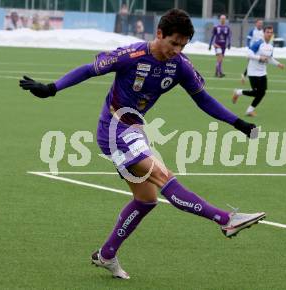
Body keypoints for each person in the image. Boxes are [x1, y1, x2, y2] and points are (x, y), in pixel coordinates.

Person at [19, 9, 265, 279]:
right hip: (113, 129)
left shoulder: (179, 65)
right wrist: (53, 88)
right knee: (162, 175)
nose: (177, 50)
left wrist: (238, 123)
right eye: (174, 43)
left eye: (183, 45)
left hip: (134, 131)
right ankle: (226, 220)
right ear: (159, 34)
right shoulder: (130, 56)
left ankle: (107, 254)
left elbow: (203, 99)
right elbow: (89, 70)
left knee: (146, 200)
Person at [232, 25, 285, 117]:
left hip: (263, 72)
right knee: (256, 92)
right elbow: (248, 54)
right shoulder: (258, 43)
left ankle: (249, 110)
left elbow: (269, 59)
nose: (269, 34)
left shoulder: (271, 46)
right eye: (267, 32)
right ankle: (238, 92)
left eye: (271, 32)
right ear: (264, 33)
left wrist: (278, 64)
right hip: (252, 72)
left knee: (262, 93)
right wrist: (259, 58)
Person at [241, 19, 264, 84]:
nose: (260, 24)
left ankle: (244, 74)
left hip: (260, 51)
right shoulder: (252, 31)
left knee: (256, 64)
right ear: (256, 24)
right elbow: (248, 40)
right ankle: (249, 76)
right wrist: (249, 48)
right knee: (252, 64)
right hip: (252, 51)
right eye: (259, 23)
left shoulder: (263, 32)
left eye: (261, 23)